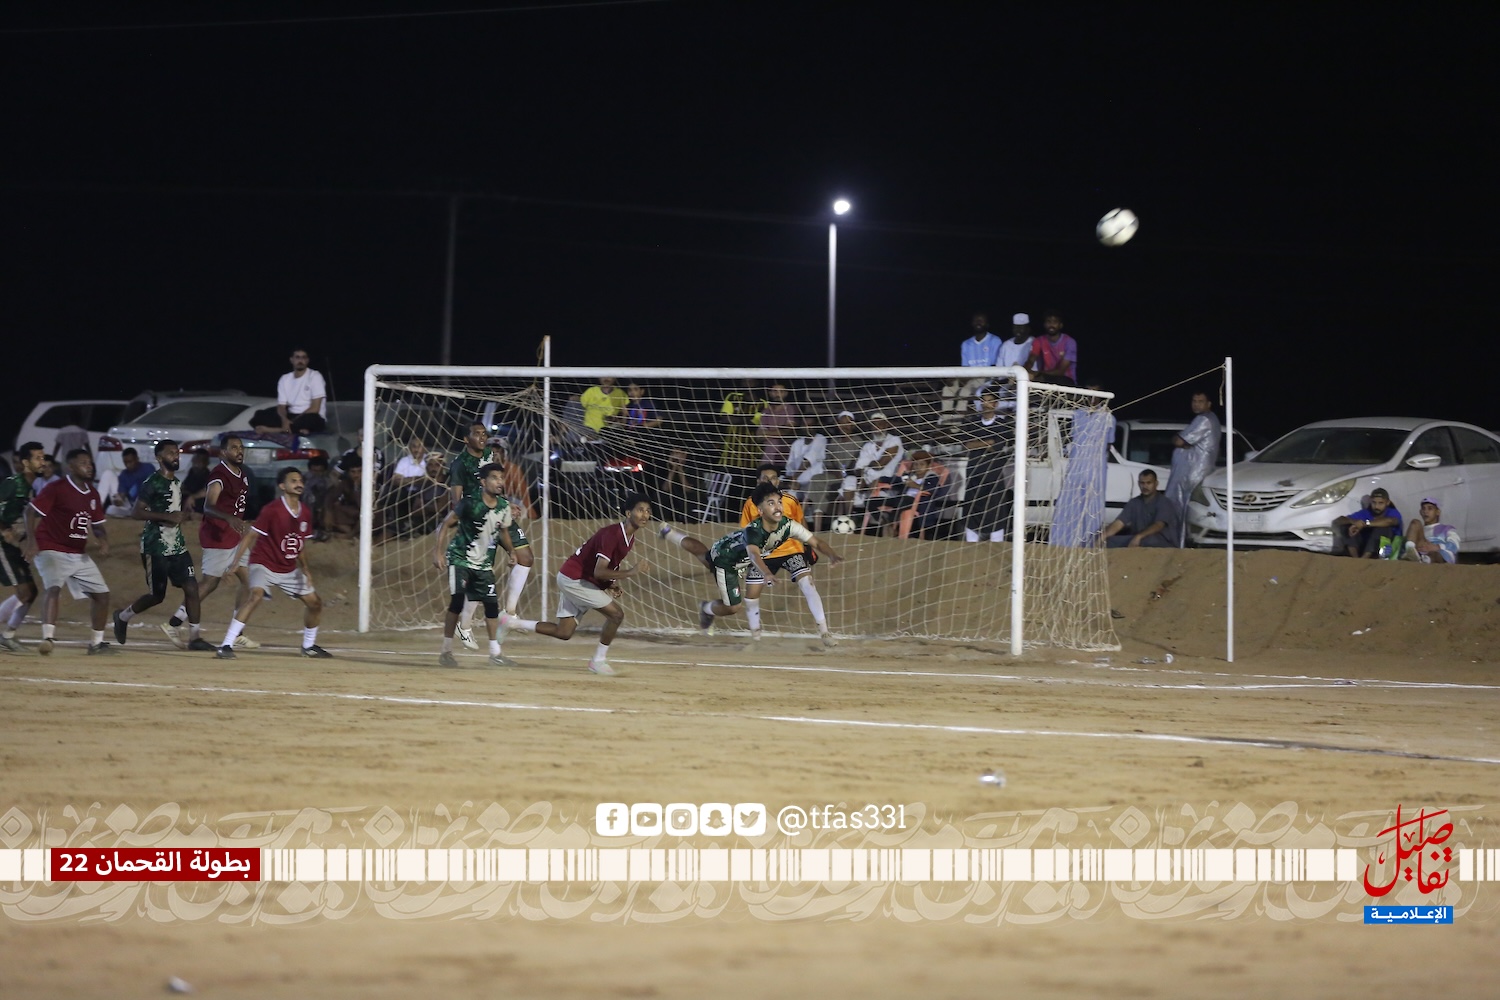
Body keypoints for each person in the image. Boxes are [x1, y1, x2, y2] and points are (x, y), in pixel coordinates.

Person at [499, 493, 654, 676]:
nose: (645, 515)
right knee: (616, 615)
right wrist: (630, 572)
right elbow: (599, 571)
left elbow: (606, 566)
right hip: (575, 580)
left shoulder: (628, 537)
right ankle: (598, 661)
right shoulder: (613, 534)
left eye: (648, 511)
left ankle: (510, 623)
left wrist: (611, 583)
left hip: (575, 578)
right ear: (628, 513)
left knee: (564, 632)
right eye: (640, 510)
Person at [688, 481, 844, 637]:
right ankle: (752, 635)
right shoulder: (753, 531)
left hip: (782, 553)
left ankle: (824, 632)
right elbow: (753, 554)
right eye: (771, 503)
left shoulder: (789, 525)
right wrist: (766, 573)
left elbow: (816, 542)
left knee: (807, 582)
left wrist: (832, 555)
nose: (778, 507)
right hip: (729, 557)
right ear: (760, 510)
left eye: (779, 502)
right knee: (741, 602)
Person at [214, 467, 330, 659]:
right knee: (256, 596)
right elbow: (250, 535)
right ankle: (226, 645)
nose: (299, 484)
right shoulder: (272, 509)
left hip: (288, 568)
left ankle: (308, 646)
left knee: (315, 603)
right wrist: (235, 562)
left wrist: (306, 569)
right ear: (282, 486)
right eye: (293, 481)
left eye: (300, 480)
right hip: (264, 563)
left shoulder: (305, 512)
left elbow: (299, 544)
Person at [111, 440, 215, 651]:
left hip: (177, 545)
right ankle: (122, 617)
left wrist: (184, 515)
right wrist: (168, 517)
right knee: (156, 596)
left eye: (177, 452)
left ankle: (195, 638)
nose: (176, 456)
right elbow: (136, 512)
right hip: (155, 546)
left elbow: (174, 512)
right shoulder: (152, 482)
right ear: (159, 458)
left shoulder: (177, 482)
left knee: (192, 588)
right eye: (170, 453)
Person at [719, 464, 841, 644]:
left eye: (773, 478)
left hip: (791, 550)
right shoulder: (750, 504)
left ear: (778, 480)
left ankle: (825, 633)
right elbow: (746, 534)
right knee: (751, 595)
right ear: (758, 481)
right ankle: (756, 638)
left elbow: (801, 523)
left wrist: (809, 548)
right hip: (764, 554)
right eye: (765, 478)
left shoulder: (790, 500)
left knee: (807, 583)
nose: (770, 481)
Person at [164, 435, 258, 650]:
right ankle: (173, 623)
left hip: (234, 536)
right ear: (223, 452)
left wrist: (240, 520)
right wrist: (229, 518)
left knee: (250, 582)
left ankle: (236, 632)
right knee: (209, 583)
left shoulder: (242, 474)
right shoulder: (219, 474)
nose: (239, 451)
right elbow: (208, 506)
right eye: (234, 448)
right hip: (218, 536)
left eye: (241, 447)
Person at [448, 422, 535, 649]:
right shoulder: (460, 464)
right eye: (476, 434)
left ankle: (509, 613)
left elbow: (492, 486)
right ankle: (464, 625)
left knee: (525, 557)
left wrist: (505, 503)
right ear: (466, 439)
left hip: (498, 514)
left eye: (484, 433)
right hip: (478, 522)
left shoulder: (489, 455)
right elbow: (456, 499)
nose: (482, 437)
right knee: (480, 574)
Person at [22, 448, 113, 654]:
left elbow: (97, 524)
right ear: (70, 467)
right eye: (83, 463)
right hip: (50, 547)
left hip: (77, 553)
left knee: (102, 595)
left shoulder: (93, 493)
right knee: (53, 588)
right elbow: (29, 511)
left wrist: (103, 540)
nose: (89, 466)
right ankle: (48, 638)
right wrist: (31, 542)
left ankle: (96, 644)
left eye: (89, 463)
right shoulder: (57, 488)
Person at [433, 463, 518, 667]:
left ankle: (495, 653)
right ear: (483, 481)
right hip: (460, 558)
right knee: (457, 601)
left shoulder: (503, 507)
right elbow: (446, 524)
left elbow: (504, 532)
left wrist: (511, 551)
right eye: (494, 478)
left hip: (484, 564)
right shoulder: (469, 503)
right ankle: (446, 651)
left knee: (491, 606)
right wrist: (438, 552)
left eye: (501, 478)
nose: (499, 482)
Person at [0, 442, 46, 652]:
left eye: (43, 457)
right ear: (26, 463)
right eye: (38, 458)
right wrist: (5, 530)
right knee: (25, 591)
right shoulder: (13, 484)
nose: (42, 462)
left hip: (12, 546)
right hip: (2, 544)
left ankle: (8, 636)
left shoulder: (31, 487)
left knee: (31, 592)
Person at [1165, 392, 1222, 546]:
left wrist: (1179, 439)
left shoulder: (1204, 420)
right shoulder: (1207, 419)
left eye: (1200, 401)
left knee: (1181, 508)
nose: (1196, 404)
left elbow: (1179, 441)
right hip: (1192, 473)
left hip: (1192, 474)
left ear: (1209, 404)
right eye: (1194, 401)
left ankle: (1179, 543)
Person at [959, 390, 1012, 543]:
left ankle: (997, 543)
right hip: (974, 472)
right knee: (971, 508)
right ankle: (971, 543)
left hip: (993, 474)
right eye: (983, 401)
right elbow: (967, 445)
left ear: (995, 404)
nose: (985, 404)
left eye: (989, 401)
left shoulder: (1002, 425)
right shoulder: (972, 422)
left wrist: (981, 444)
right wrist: (987, 443)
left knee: (995, 509)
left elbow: (996, 446)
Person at [865, 450, 951, 539]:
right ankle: (884, 522)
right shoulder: (910, 476)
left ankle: (891, 524)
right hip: (901, 500)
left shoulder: (931, 477)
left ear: (928, 466)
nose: (918, 467)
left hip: (917, 503)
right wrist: (879, 479)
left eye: (921, 464)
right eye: (916, 464)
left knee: (905, 500)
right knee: (870, 501)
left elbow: (935, 490)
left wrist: (916, 486)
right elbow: (896, 480)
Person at [840, 411, 904, 517]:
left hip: (886, 482)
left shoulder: (894, 440)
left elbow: (880, 464)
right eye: (874, 424)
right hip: (866, 483)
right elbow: (858, 468)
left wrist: (867, 468)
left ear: (886, 425)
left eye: (880, 424)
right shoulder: (868, 445)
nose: (877, 427)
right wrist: (862, 480)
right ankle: (848, 517)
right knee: (849, 480)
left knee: (848, 490)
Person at [943, 312, 1003, 424]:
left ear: (987, 324)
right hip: (969, 377)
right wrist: (956, 378)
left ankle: (955, 426)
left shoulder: (995, 340)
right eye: (976, 320)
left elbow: (994, 367)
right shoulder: (966, 344)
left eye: (981, 320)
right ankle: (946, 422)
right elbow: (965, 367)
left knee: (965, 391)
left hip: (986, 378)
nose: (978, 323)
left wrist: (967, 378)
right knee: (948, 389)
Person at [252, 348, 328, 436]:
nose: (300, 360)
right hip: (291, 415)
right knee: (260, 415)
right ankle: (295, 429)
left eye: (303, 358)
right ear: (291, 360)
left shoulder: (315, 376)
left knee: (312, 420)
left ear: (307, 360)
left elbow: (315, 408)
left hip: (310, 415)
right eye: (297, 357)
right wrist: (284, 420)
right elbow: (281, 406)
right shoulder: (285, 379)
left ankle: (276, 430)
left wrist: (292, 421)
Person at [1099, 470, 1180, 548]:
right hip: (1139, 539)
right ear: (1138, 484)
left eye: (1149, 483)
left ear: (1156, 484)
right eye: (1142, 483)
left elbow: (1159, 525)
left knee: (1144, 541)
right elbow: (1119, 523)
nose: (1145, 486)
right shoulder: (1134, 502)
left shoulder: (1164, 502)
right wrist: (1102, 537)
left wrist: (1139, 536)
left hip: (1163, 542)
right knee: (1108, 542)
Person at [809, 410, 861, 531]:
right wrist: (835, 471)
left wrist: (846, 473)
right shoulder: (834, 441)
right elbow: (828, 461)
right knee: (816, 479)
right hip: (835, 475)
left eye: (848, 423)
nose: (845, 426)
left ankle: (846, 522)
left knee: (848, 482)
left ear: (853, 425)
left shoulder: (859, 441)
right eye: (842, 423)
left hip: (851, 477)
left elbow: (858, 463)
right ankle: (817, 526)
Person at [1331, 488, 1404, 559]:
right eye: (1374, 502)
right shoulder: (1366, 512)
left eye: (1380, 503)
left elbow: (1390, 521)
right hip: (1364, 547)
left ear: (1387, 502)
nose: (1376, 506)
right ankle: (1355, 559)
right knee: (1347, 527)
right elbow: (1338, 520)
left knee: (1382, 528)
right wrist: (1354, 522)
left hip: (1388, 549)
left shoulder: (1392, 512)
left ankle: (1364, 559)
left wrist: (1364, 524)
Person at [783, 414, 827, 502]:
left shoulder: (821, 439)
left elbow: (807, 461)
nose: (807, 428)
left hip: (813, 482)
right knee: (788, 495)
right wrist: (789, 482)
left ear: (816, 426)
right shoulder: (797, 443)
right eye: (805, 425)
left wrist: (794, 478)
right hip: (797, 483)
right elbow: (790, 468)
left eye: (810, 425)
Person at [1404, 498, 1461, 565]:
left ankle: (1426, 559)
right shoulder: (1419, 530)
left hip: (1439, 555)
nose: (1426, 511)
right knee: (1415, 522)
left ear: (1437, 512)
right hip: (1421, 550)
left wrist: (1437, 547)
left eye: (1430, 508)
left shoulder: (1447, 529)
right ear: (1420, 512)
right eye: (1423, 509)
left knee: (1436, 554)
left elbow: (1454, 545)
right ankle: (1411, 553)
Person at [758, 381, 799, 470]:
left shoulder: (790, 408)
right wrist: (778, 432)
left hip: (785, 451)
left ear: (786, 393)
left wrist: (768, 434)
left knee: (773, 443)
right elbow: (759, 436)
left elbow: (788, 431)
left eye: (781, 391)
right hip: (767, 450)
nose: (777, 394)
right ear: (770, 393)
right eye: (775, 391)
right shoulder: (766, 411)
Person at [1030, 309, 1078, 384]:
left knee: (1039, 379)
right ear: (1044, 324)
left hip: (1066, 381)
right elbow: (1031, 360)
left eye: (1055, 322)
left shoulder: (1069, 342)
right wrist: (1025, 371)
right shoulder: (1039, 341)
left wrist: (1037, 373)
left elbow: (1061, 371)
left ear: (1060, 325)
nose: (1051, 325)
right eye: (1048, 322)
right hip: (1045, 378)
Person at [108, 448, 154, 517]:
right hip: (132, 505)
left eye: (130, 462)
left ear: (137, 459)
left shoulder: (148, 468)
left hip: (147, 502)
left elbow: (153, 487)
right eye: (125, 462)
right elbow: (122, 494)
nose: (128, 465)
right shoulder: (124, 474)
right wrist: (118, 500)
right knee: (110, 510)